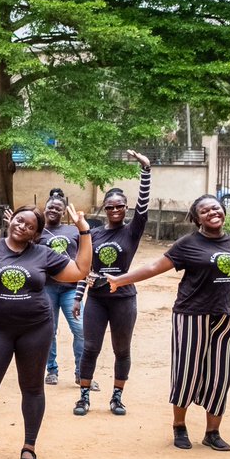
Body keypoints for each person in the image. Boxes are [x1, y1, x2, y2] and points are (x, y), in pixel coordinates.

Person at [105, 197, 230, 452]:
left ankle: (212, 432)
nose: (211, 212)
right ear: (197, 219)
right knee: (187, 372)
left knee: (220, 376)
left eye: (215, 208)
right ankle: (179, 426)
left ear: (224, 212)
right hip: (191, 316)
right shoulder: (188, 244)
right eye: (204, 211)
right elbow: (154, 266)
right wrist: (121, 280)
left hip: (227, 316)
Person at [0, 203, 91, 459]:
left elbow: (80, 272)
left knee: (32, 387)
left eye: (30, 226)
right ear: (11, 221)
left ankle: (29, 446)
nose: (22, 226)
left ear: (35, 234)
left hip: (35, 328)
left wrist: (84, 231)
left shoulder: (43, 254)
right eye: (20, 220)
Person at [72, 150, 151, 417]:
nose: (115, 210)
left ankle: (117, 398)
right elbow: (86, 270)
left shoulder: (131, 231)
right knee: (90, 347)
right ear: (104, 209)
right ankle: (83, 397)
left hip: (124, 299)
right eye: (110, 206)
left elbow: (143, 208)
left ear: (125, 208)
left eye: (120, 206)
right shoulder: (93, 234)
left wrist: (146, 171)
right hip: (97, 300)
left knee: (121, 350)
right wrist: (77, 297)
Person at [39, 192, 89, 387]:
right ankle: (51, 370)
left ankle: (81, 372)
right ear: (44, 209)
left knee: (81, 330)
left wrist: (79, 295)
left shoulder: (73, 231)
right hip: (47, 289)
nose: (53, 210)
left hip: (70, 289)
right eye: (50, 207)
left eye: (58, 208)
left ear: (64, 212)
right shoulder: (38, 233)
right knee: (49, 331)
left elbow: (85, 262)